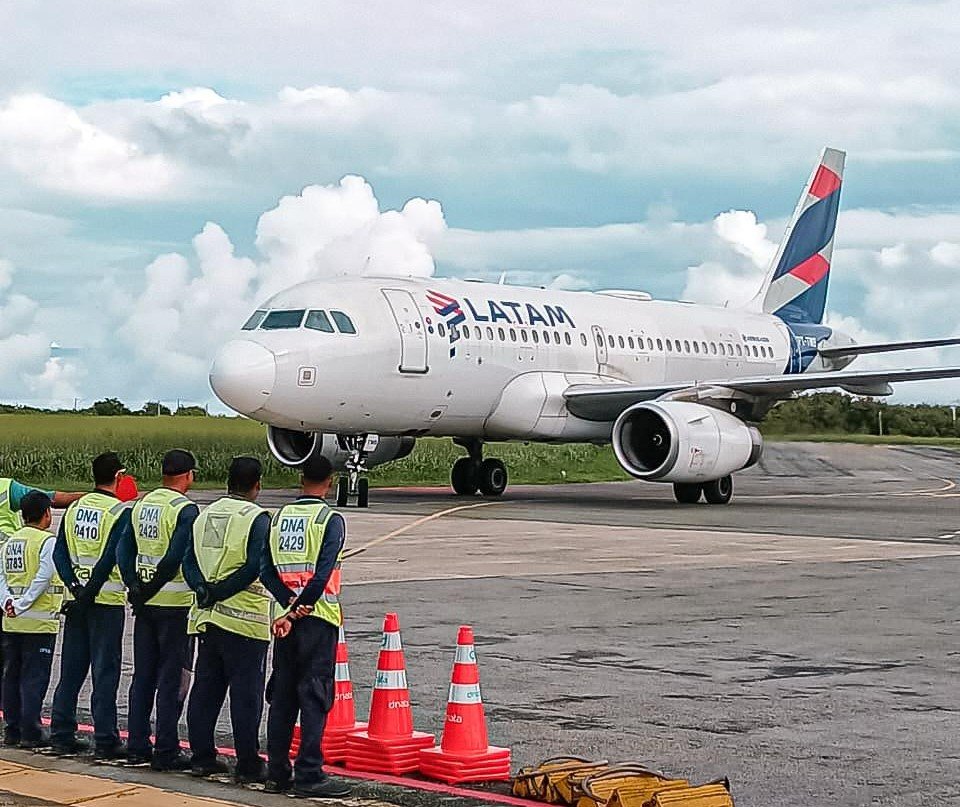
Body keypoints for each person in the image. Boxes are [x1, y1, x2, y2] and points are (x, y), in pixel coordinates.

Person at [260, 455, 352, 799]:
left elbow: (265, 569)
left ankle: (278, 772)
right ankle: (309, 773)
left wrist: (286, 607)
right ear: (329, 482)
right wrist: (298, 610)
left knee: (282, 696)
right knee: (314, 695)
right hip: (317, 619)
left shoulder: (279, 518)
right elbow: (321, 575)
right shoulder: (330, 520)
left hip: (285, 621)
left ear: (301, 479)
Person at [182, 456, 272, 784]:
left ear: (227, 481)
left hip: (207, 619)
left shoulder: (205, 515)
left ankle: (202, 757)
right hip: (245, 622)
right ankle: (248, 763)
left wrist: (203, 590)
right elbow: (255, 566)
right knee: (245, 696)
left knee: (206, 690)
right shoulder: (257, 518)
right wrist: (221, 591)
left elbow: (189, 559)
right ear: (257, 484)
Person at [117, 449, 198, 771]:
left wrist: (135, 588)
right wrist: (150, 589)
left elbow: (124, 548)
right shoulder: (185, 510)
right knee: (171, 679)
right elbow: (176, 556)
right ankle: (165, 749)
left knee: (143, 676)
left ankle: (137, 745)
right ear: (188, 475)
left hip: (145, 607)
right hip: (174, 606)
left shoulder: (140, 505)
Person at [49, 451, 133, 759]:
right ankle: (106, 739)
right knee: (105, 672)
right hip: (105, 601)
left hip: (75, 601)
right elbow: (113, 555)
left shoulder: (73, 509)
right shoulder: (118, 511)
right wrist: (92, 591)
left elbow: (60, 554)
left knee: (70, 670)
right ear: (120, 477)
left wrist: (75, 587)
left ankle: (61, 733)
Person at [0, 492, 64, 749]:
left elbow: (1, 578)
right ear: (47, 514)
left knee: (11, 675)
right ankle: (31, 731)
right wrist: (24, 604)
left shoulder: (10, 542)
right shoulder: (47, 542)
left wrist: (8, 604)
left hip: (12, 620)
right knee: (34, 678)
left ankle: (12, 728)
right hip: (38, 622)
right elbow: (43, 577)